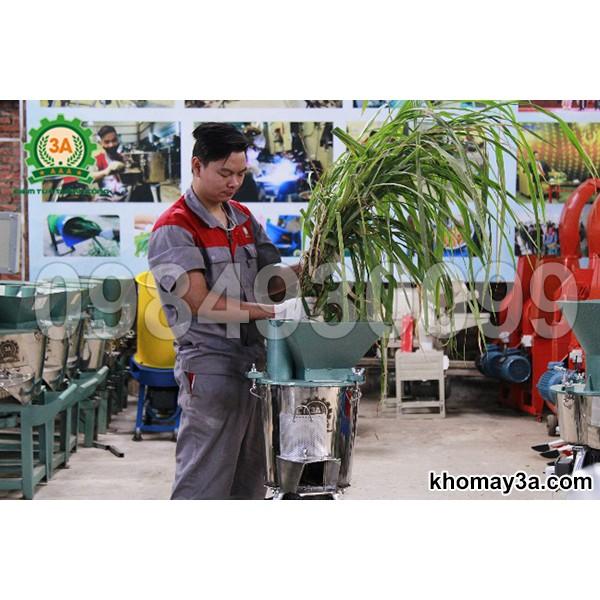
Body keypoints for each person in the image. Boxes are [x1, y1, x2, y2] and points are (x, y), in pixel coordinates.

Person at [148, 122, 301, 500]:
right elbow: (200, 302)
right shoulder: (175, 227)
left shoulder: (244, 219)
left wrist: (307, 267)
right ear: (197, 166)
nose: (234, 183)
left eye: (241, 174)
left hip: (255, 365)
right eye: (224, 173)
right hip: (210, 368)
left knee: (251, 478)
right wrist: (267, 313)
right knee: (204, 478)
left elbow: (271, 284)